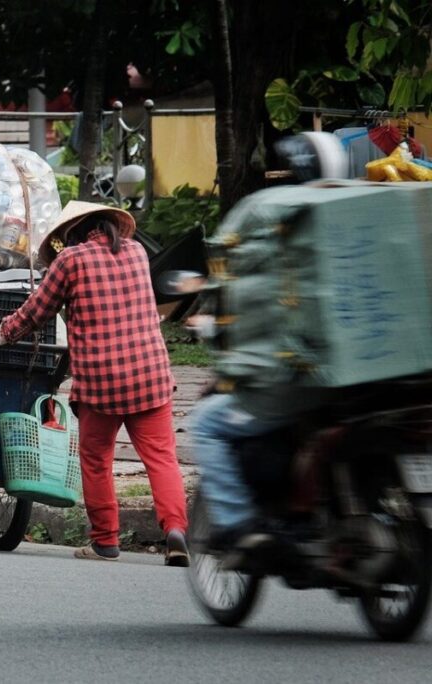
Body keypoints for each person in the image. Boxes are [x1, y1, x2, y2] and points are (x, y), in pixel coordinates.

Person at [0, 202, 189, 566]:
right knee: (162, 459)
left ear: (75, 231)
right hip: (151, 375)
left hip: (102, 381)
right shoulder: (137, 252)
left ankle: (105, 541)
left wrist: (0, 333)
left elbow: (36, 312)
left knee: (97, 459)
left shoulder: (70, 260)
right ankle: (176, 532)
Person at [189, 132, 346, 551]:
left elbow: (230, 292)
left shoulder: (264, 213)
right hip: (367, 388)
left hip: (290, 383)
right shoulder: (358, 210)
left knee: (204, 425)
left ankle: (239, 524)